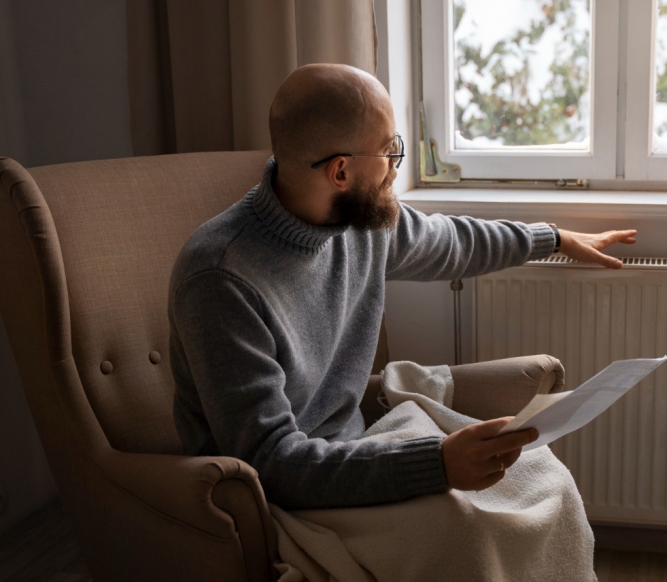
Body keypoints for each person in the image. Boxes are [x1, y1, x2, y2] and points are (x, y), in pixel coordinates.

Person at [168, 63, 637, 510]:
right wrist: (435, 464)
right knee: (477, 527)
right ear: (341, 172)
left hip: (354, 450)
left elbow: (454, 242)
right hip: (277, 499)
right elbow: (269, 462)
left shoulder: (358, 222)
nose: (396, 166)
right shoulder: (220, 279)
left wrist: (552, 237)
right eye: (390, 149)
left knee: (543, 483)